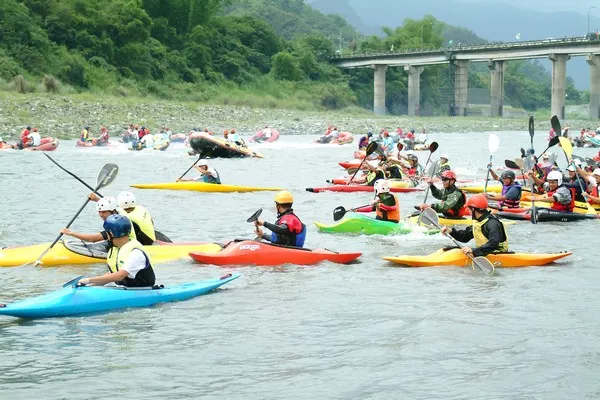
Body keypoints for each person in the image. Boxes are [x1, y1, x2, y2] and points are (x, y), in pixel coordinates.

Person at [78, 215, 156, 288]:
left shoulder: (135, 252)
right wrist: (90, 285)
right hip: (123, 288)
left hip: (141, 290)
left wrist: (88, 280)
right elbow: (112, 274)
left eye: (106, 233)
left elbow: (120, 276)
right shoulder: (116, 249)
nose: (106, 236)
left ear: (111, 234)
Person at [440, 194, 508, 257]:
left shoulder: (492, 224)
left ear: (473, 209)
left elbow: (493, 243)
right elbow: (465, 237)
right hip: (483, 252)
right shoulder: (478, 222)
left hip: (497, 254)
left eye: (469, 209)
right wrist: (451, 231)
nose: (468, 211)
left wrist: (474, 251)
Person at [89, 191, 157, 245]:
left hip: (146, 242)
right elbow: (152, 222)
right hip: (151, 236)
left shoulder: (126, 217)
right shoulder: (140, 208)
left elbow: (115, 207)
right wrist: (97, 199)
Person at [60, 196, 136, 242]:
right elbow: (110, 203)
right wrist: (97, 199)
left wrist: (71, 233)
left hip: (126, 245)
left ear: (112, 211)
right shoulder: (118, 210)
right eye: (99, 212)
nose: (100, 215)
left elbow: (93, 239)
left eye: (103, 212)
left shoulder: (116, 223)